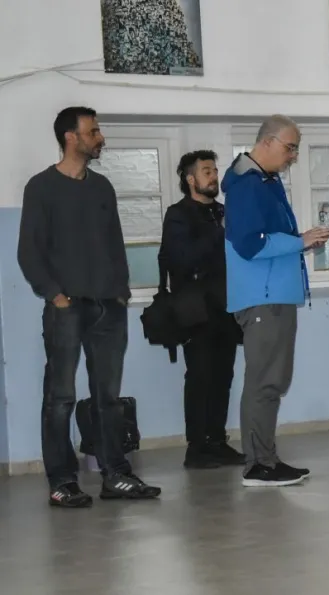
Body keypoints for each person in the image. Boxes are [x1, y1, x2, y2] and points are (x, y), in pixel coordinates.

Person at [17, 106, 161, 507]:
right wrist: (55, 295)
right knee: (60, 398)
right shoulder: (40, 187)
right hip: (66, 308)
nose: (100, 137)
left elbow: (115, 244)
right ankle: (63, 482)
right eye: (93, 131)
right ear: (70, 137)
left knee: (108, 398)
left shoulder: (102, 188)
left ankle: (116, 475)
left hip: (108, 308)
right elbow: (29, 252)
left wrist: (120, 292)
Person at [224, 115, 329, 487]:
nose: (293, 156)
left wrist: (302, 241)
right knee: (264, 382)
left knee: (272, 381)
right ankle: (258, 465)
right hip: (263, 298)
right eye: (290, 148)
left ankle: (266, 459)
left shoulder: (265, 182)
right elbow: (249, 243)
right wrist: (300, 240)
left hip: (274, 296)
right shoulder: (246, 184)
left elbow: (273, 239)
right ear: (267, 142)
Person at [160, 150, 245, 469]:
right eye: (207, 171)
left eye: (215, 170)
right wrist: (219, 232)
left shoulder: (223, 211)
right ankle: (196, 448)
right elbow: (182, 258)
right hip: (196, 311)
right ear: (190, 178)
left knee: (223, 376)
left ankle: (217, 441)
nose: (213, 176)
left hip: (227, 308)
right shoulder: (179, 214)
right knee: (199, 377)